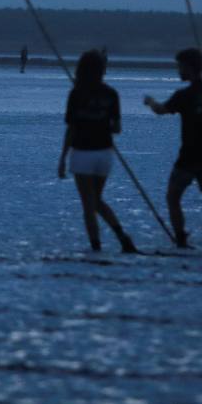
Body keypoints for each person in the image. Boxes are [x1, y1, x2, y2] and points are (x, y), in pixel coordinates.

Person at [144, 48, 202, 250]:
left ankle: (181, 239)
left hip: (189, 157)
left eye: (180, 66)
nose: (178, 70)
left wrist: (150, 101)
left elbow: (161, 110)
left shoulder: (184, 95)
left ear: (189, 67)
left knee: (172, 196)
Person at [56, 50, 137, 253]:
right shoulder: (111, 94)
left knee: (88, 204)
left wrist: (63, 158)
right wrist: (99, 123)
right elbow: (117, 128)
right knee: (96, 200)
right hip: (104, 154)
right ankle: (121, 236)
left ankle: (96, 246)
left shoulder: (76, 93)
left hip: (83, 153)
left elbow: (71, 128)